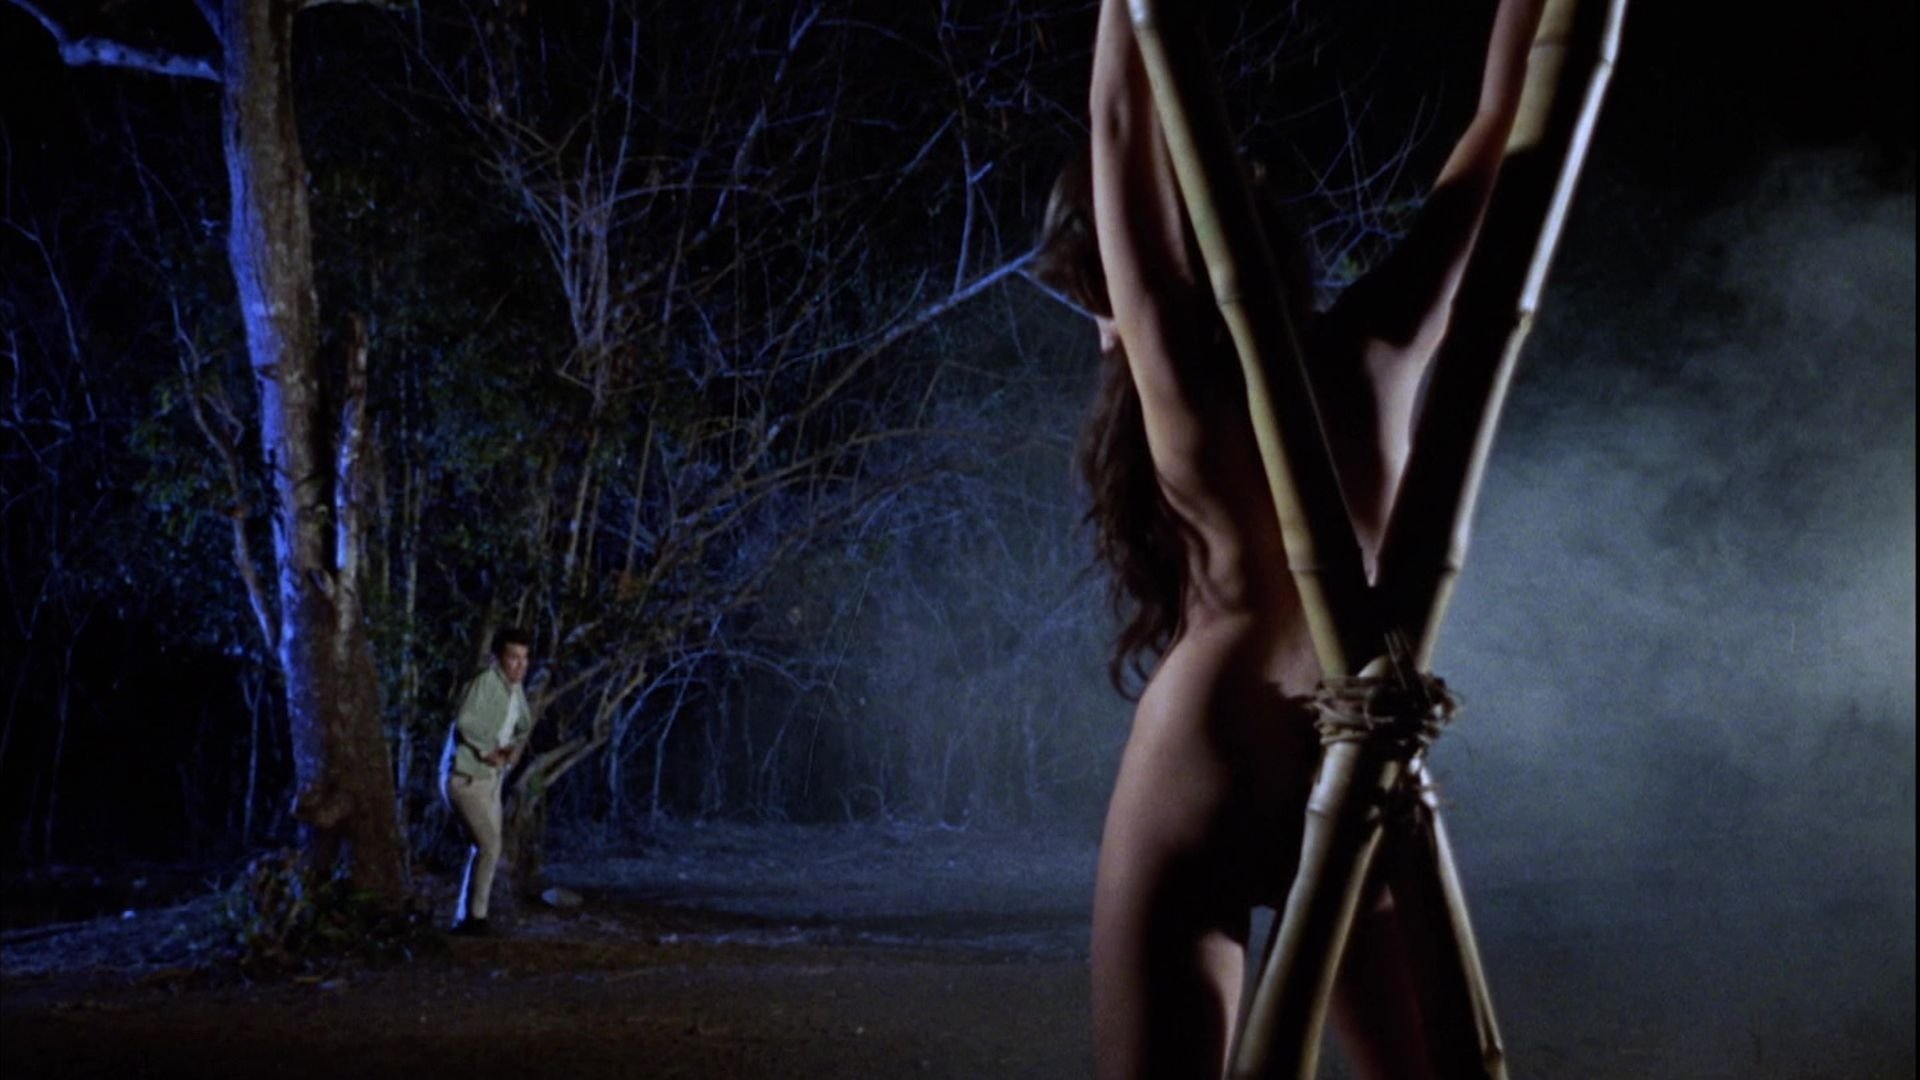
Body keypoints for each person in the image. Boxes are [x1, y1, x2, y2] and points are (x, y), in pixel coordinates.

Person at [1034, 0, 1547, 1075]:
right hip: (1349, 750)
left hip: (1213, 757)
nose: (1104, 331)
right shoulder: (1375, 356)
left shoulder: (1181, 368)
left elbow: (1121, 124)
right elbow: (1507, 124)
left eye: (1098, 300)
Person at [440, 627, 534, 937]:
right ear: (498, 658)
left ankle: (468, 916)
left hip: (492, 779)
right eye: (513, 657)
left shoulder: (515, 689)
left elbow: (523, 724)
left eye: (524, 658)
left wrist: (512, 751)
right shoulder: (486, 683)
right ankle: (475, 918)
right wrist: (486, 750)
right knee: (490, 845)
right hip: (467, 777)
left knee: (484, 847)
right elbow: (464, 721)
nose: (520, 665)